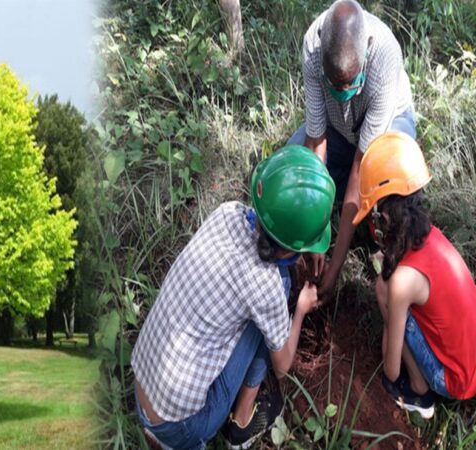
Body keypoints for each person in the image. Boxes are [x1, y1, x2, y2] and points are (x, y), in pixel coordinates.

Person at [131, 146, 335, 449]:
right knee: (273, 310)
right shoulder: (266, 287)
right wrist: (301, 309)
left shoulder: (226, 213)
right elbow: (282, 367)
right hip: (180, 427)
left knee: (260, 304)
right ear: (293, 249)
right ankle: (241, 424)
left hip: (141, 387)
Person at [287, 0, 416, 299]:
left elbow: (363, 162)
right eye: (335, 85)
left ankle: (375, 235)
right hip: (336, 129)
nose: (343, 95)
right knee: (293, 165)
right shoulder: (313, 46)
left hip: (387, 128)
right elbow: (316, 141)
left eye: (350, 85)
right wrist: (316, 238)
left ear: (367, 49)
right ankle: (347, 201)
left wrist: (335, 268)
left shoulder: (385, 54)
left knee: (391, 185)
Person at [353, 131, 476, 418]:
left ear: (383, 219)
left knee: (384, 290)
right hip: (471, 361)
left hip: (454, 381)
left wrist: (389, 312)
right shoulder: (433, 237)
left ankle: (420, 391)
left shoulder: (401, 282)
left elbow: (391, 369)